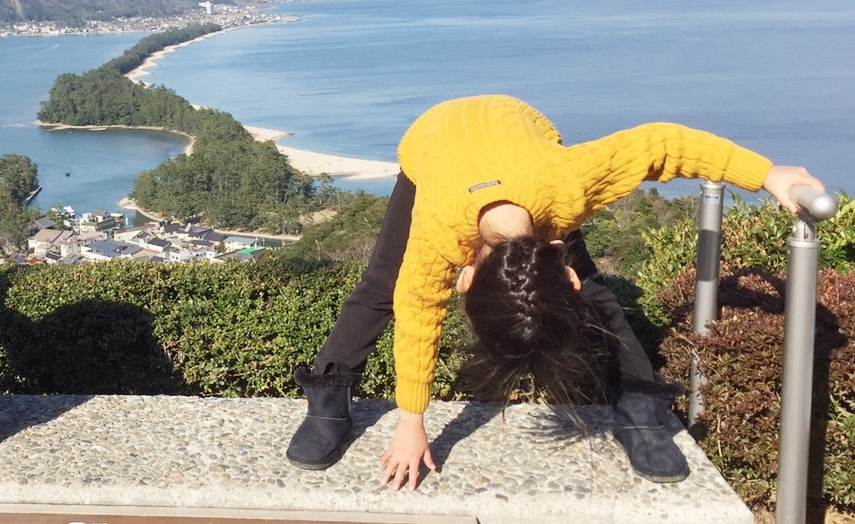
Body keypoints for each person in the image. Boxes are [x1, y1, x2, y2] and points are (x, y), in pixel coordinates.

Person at [285, 95, 823, 489]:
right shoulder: (437, 232)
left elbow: (664, 145)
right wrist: (411, 423)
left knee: (595, 294)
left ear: (560, 261)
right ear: (463, 278)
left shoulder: (566, 185)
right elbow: (417, 311)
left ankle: (640, 408)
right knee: (382, 284)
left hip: (521, 137)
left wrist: (766, 174)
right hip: (433, 143)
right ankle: (329, 399)